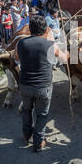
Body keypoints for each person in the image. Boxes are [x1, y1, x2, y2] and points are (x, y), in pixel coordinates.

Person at [16, 15, 67, 152]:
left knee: (26, 110)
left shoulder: (21, 43)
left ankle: (27, 136)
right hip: (43, 86)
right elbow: (64, 59)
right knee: (42, 114)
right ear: (46, 29)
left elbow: (16, 57)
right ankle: (38, 142)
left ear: (30, 29)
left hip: (25, 84)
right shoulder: (51, 45)